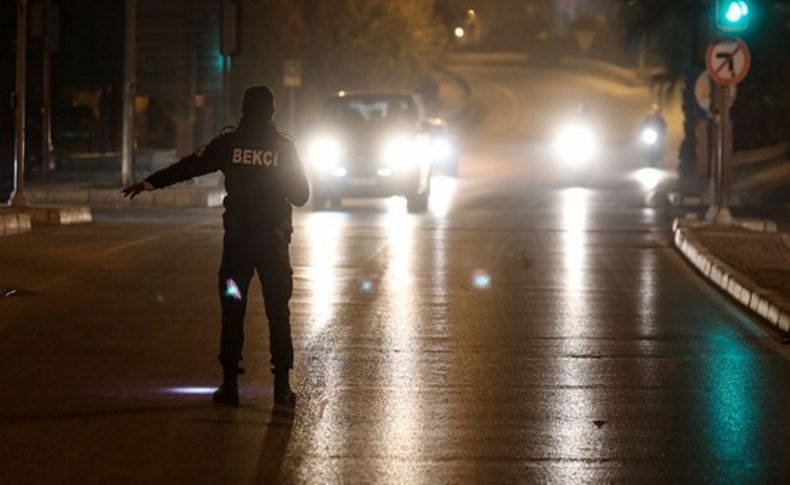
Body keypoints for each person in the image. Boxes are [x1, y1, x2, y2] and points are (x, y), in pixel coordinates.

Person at [122, 85, 309, 407]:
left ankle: (230, 385)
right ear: (272, 113)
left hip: (238, 247)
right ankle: (281, 387)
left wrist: (150, 182)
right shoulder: (283, 149)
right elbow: (301, 196)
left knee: (233, 308)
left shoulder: (229, 144)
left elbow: (189, 166)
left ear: (243, 110)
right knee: (277, 311)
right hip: (272, 246)